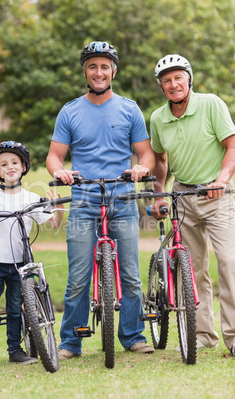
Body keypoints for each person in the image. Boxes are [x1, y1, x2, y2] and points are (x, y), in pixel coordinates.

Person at [46, 41, 155, 359]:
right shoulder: (70, 111)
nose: (98, 72)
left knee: (131, 275)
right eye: (92, 66)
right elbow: (54, 156)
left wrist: (141, 166)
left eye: (104, 66)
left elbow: (146, 153)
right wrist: (61, 172)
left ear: (114, 71)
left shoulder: (129, 109)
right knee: (78, 276)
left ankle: (133, 335)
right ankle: (71, 342)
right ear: (85, 71)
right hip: (83, 202)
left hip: (122, 201)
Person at [150, 54, 235, 356]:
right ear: (162, 87)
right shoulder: (158, 118)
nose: (173, 84)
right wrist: (159, 194)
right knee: (193, 270)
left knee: (229, 263)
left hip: (218, 196)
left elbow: (232, 145)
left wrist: (222, 178)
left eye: (178, 78)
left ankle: (233, 335)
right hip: (183, 198)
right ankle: (202, 335)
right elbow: (160, 160)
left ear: (189, 79)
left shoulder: (211, 104)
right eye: (167, 80)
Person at [0, 141, 64, 368]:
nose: (9, 167)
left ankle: (15, 350)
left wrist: (55, 208)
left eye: (14, 162)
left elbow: (53, 223)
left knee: (15, 308)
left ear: (23, 167)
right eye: (3, 164)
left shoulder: (31, 198)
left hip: (20, 263)